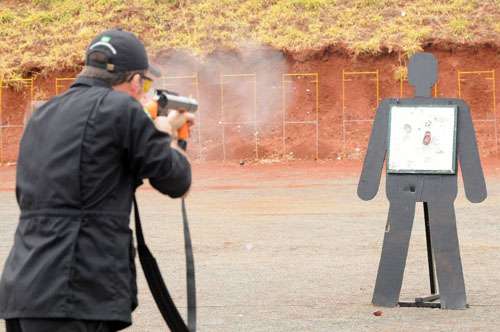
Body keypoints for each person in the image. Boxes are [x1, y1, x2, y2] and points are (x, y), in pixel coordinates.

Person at [0, 29, 194, 331]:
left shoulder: (42, 114)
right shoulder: (122, 110)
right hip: (76, 292)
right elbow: (176, 180)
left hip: (24, 287)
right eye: (143, 82)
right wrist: (167, 134)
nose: (142, 92)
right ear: (132, 80)